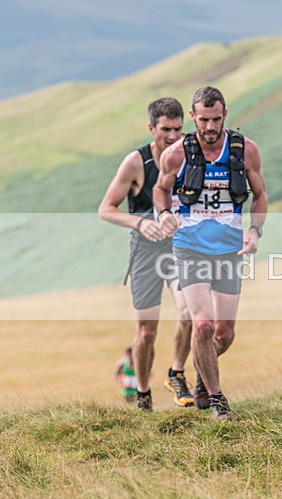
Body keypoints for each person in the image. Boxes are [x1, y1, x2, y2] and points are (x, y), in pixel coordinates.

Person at [154, 86, 267, 421]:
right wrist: (164, 215)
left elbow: (260, 195)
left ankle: (203, 375)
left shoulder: (245, 150)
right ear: (193, 117)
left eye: (216, 119)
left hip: (229, 251)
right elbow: (160, 188)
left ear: (225, 115)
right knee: (202, 325)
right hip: (189, 248)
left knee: (223, 334)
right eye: (203, 120)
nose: (210, 126)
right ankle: (217, 401)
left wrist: (254, 230)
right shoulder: (177, 154)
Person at [99, 98, 194, 411]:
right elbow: (106, 209)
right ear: (151, 128)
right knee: (147, 332)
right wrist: (140, 222)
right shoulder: (136, 162)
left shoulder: (190, 156)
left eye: (178, 129)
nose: (172, 136)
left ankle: (176, 373)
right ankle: (142, 393)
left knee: (189, 312)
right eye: (165, 129)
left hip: (181, 247)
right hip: (145, 252)